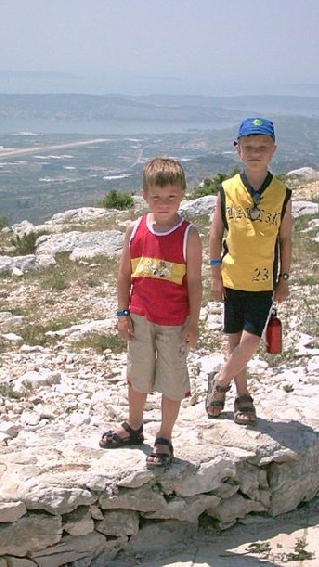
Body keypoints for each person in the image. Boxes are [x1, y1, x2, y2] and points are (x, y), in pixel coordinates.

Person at [100, 157, 202, 469]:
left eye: (171, 196)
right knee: (138, 374)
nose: (164, 203)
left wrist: (194, 323)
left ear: (182, 194)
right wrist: (122, 313)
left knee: (172, 380)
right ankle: (134, 426)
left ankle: (165, 436)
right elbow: (123, 276)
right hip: (140, 317)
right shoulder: (135, 230)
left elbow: (195, 283)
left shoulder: (189, 235)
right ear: (145, 195)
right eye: (157, 197)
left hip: (174, 321)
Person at [206, 117, 292, 426]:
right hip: (231, 277)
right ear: (237, 149)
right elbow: (216, 235)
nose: (255, 152)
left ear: (273, 150)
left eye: (262, 147)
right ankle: (242, 395)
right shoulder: (228, 189)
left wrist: (284, 279)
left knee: (251, 340)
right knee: (234, 341)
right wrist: (215, 275)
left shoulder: (282, 193)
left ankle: (219, 381)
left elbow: (284, 239)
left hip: (263, 280)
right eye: (248, 147)